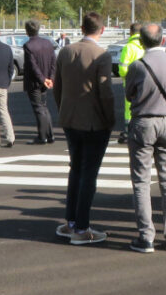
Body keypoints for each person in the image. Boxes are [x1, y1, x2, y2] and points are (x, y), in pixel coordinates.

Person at [53, 12, 114, 246]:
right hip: (93, 122)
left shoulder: (65, 51)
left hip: (69, 118)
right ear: (102, 29)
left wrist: (62, 110)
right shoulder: (102, 55)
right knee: (89, 174)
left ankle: (70, 223)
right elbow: (105, 93)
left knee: (75, 169)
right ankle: (82, 227)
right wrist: (110, 119)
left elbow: (57, 87)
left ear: (81, 28)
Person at [126, 23, 166, 253]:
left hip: (144, 122)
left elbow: (129, 94)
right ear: (163, 40)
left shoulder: (138, 66)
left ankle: (146, 236)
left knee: (142, 181)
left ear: (141, 41)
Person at [22, 19, 57, 145]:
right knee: (44, 107)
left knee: (39, 108)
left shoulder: (28, 46)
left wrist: (43, 79)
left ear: (27, 31)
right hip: (46, 80)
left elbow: (32, 66)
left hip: (35, 82)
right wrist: (50, 78)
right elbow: (54, 61)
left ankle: (42, 137)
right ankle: (50, 135)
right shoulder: (47, 43)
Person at [116, 22, 146, 144]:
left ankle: (129, 131)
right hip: (144, 83)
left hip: (130, 84)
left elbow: (123, 68)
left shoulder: (128, 47)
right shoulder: (145, 46)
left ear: (131, 32)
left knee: (129, 110)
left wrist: (126, 77)